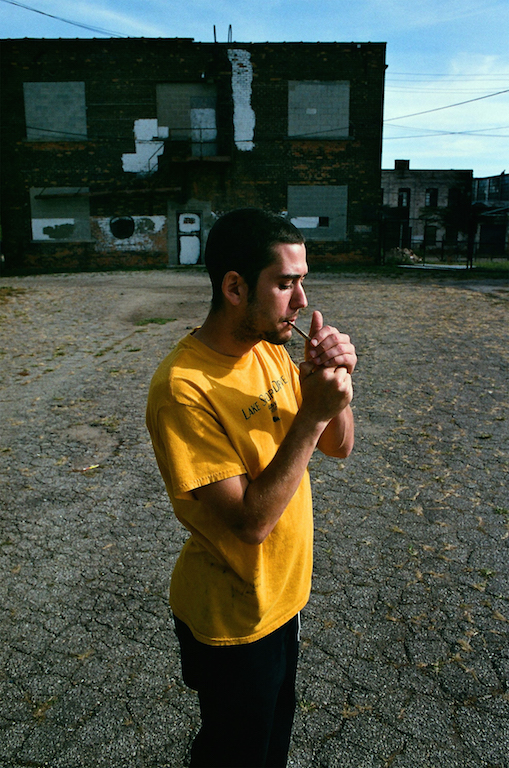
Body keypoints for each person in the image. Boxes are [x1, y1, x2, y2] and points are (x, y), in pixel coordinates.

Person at [146, 208, 356, 768]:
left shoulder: (268, 347)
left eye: (302, 281)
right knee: (234, 754)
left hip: (284, 599)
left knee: (271, 747)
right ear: (235, 287)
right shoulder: (183, 388)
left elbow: (338, 446)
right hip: (233, 622)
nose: (302, 300)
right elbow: (250, 522)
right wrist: (312, 415)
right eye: (285, 284)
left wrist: (333, 384)